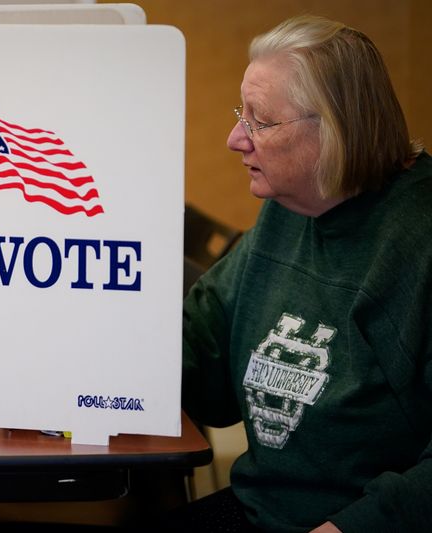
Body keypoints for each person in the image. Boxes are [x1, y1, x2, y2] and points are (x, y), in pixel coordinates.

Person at [180, 15, 431, 532]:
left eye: (260, 121)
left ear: (337, 129)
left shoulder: (418, 241)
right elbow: (206, 348)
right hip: (262, 508)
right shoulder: (290, 207)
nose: (235, 138)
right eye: (239, 113)